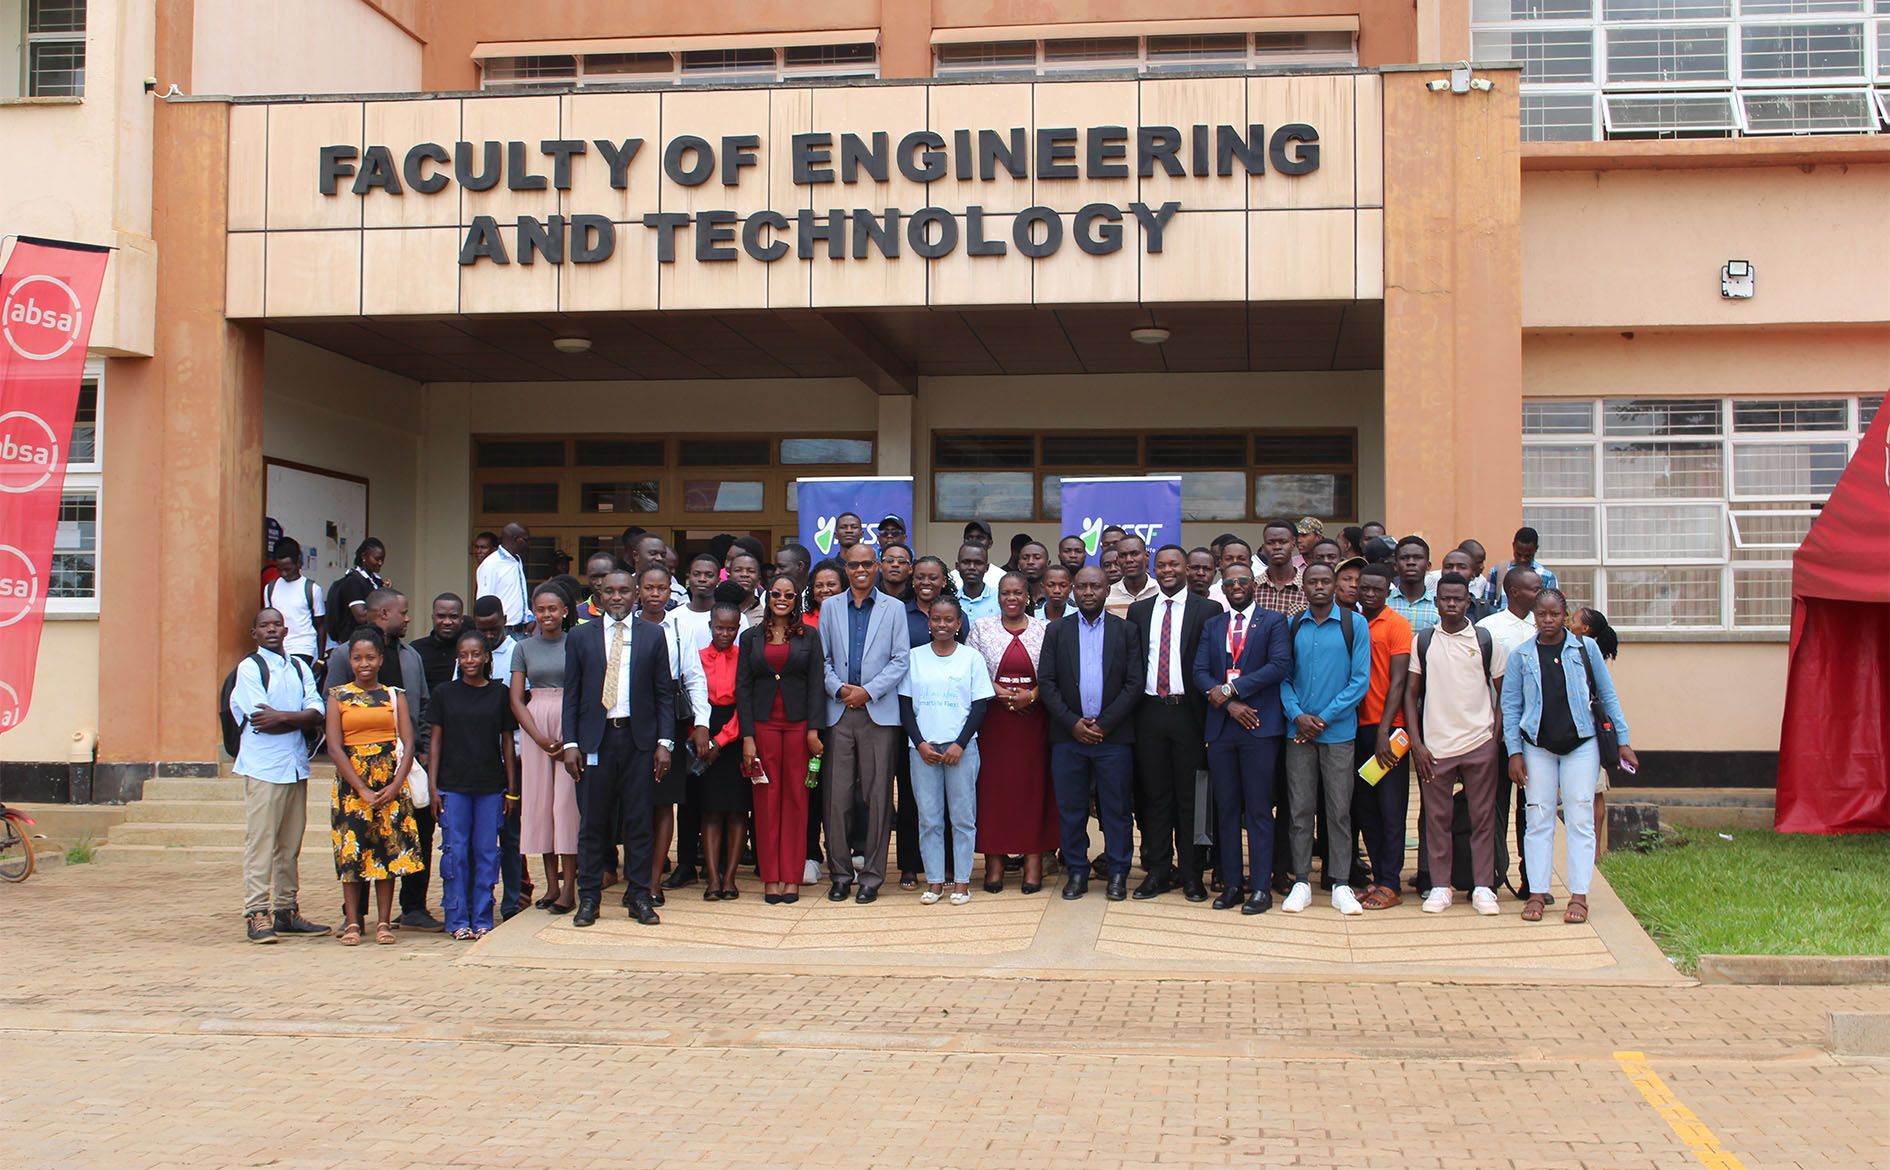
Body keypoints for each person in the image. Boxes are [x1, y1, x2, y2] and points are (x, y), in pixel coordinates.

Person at [1503, 589, 1636, 925]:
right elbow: (1511, 707)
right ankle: (1536, 893)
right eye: (1542, 614)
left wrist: (1623, 741)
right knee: (1538, 818)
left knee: (1580, 817)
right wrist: (1514, 752)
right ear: (1534, 616)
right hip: (1537, 746)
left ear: (1564, 615)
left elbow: (1608, 695)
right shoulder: (1521, 656)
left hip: (1582, 744)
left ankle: (1579, 895)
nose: (1548, 620)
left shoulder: (1585, 649)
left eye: (1555, 614)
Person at [561, 567, 676, 928]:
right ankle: (589, 898)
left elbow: (664, 693)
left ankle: (639, 896)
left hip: (638, 741)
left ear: (635, 594)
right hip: (595, 740)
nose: (616, 597)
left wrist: (665, 743)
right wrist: (571, 743)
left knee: (639, 822)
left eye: (623, 591)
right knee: (593, 823)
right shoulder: (580, 636)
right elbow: (572, 694)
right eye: (609, 591)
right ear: (599, 596)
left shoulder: (653, 635)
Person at [323, 587, 441, 932]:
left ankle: (412, 908)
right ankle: (355, 915)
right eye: (402, 612)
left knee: (413, 835)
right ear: (383, 614)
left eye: (371, 658)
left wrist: (419, 753)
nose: (407, 618)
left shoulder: (410, 655)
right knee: (357, 843)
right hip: (356, 770)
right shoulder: (343, 655)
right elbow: (334, 714)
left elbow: (421, 706)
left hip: (403, 765)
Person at [1404, 573, 1509, 916]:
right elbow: (1410, 694)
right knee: (1437, 820)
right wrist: (1417, 743)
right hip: (1436, 747)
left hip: (1480, 742)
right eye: (1445, 598)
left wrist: (1494, 736)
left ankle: (1483, 887)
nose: (1451, 604)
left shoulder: (1485, 640)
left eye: (1458, 599)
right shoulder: (1423, 641)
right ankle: (1440, 886)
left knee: (1482, 818)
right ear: (1436, 602)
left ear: (1468, 602)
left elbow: (1504, 692)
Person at [1039, 565, 1144, 902]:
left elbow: (1134, 684)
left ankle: (1118, 872)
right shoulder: (1057, 631)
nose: (1088, 592)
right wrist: (1073, 723)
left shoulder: (1126, 631)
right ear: (1073, 589)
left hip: (1113, 738)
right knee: (1071, 809)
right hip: (1068, 737)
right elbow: (1047, 682)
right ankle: (1076, 871)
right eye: (1082, 586)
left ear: (1106, 590)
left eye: (1095, 586)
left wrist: (1104, 724)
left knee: (1116, 810)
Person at [1193, 562, 1292, 913]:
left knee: (1259, 809)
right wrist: (1229, 703)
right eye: (1230, 581)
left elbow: (1279, 666)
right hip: (1222, 728)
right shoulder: (1213, 624)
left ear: (1253, 585)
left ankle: (1261, 887)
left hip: (1259, 726)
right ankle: (1233, 884)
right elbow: (1199, 672)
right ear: (1224, 587)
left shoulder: (1274, 622)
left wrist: (1232, 689)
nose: (1236, 586)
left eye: (1243, 580)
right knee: (1227, 809)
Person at [1125, 545, 1220, 901]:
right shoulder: (1139, 610)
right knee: (1155, 797)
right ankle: (1158, 872)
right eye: (1161, 565)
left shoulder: (1207, 610)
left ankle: (1193, 874)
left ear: (1187, 569)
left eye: (1174, 565)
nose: (1167, 570)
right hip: (1149, 713)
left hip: (1189, 714)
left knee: (1193, 797)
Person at [818, 542, 910, 904]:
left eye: (867, 564)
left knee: (878, 798)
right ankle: (840, 875)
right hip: (839, 711)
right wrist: (840, 690)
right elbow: (822, 659)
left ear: (877, 567)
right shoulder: (830, 607)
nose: (860, 570)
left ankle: (872, 877)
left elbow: (900, 660)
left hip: (878, 713)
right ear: (846, 567)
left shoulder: (894, 608)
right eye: (854, 564)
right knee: (836, 799)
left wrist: (868, 692)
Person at [231, 608, 329, 943]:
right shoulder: (250, 668)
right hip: (264, 767)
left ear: (286, 631)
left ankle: (286, 909)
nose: (271, 630)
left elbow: (318, 712)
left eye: (277, 625)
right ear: (254, 633)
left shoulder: (300, 667)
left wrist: (286, 717)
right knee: (261, 841)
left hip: (295, 765)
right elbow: (262, 720)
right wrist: (299, 718)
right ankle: (257, 912)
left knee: (290, 843)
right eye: (264, 626)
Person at [1280, 562, 1371, 914]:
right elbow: (1284, 678)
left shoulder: (1354, 624)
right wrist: (1298, 716)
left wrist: (1323, 718)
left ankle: (1341, 883)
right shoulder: (1293, 625)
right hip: (1298, 733)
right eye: (1312, 581)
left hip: (1338, 733)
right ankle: (1301, 881)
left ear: (1334, 585)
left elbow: (1359, 681)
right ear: (1303, 587)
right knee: (1300, 808)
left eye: (1325, 581)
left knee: (1338, 810)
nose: (1319, 586)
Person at [737, 575, 826, 904]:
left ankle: (791, 876)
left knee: (797, 800)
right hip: (763, 727)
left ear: (796, 600)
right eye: (776, 593)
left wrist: (814, 731)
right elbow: (743, 688)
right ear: (768, 597)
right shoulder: (750, 637)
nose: (782, 599)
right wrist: (748, 737)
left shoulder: (809, 636)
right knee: (766, 801)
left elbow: (816, 684)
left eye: (789, 595)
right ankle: (770, 877)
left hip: (799, 726)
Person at [898, 596, 992, 905]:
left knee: (963, 818)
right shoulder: (914, 657)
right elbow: (905, 707)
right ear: (928, 623)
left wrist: (960, 743)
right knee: (929, 819)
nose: (942, 624)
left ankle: (962, 882)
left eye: (948, 619)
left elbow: (979, 706)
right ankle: (935, 881)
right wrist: (920, 743)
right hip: (923, 750)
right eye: (936, 619)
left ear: (959, 623)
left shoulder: (971, 658)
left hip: (961, 750)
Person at [967, 573, 1057, 894]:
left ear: (1028, 597)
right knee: (993, 790)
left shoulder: (1045, 629)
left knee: (1033, 788)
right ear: (998, 596)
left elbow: (1055, 673)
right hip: (994, 721)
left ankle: (1033, 862)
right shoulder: (981, 628)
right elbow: (972, 669)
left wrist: (1031, 696)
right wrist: (1000, 692)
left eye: (1018, 593)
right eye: (1006, 593)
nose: (1012, 598)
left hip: (1035, 721)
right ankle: (994, 863)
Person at [426, 630, 519, 940]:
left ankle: (482, 918)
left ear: (486, 657)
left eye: (476, 654)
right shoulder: (444, 693)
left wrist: (512, 790)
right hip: (453, 786)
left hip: (491, 787)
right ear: (458, 658)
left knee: (486, 854)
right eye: (464, 655)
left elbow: (508, 745)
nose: (469, 660)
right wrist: (433, 788)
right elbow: (435, 744)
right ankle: (457, 919)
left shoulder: (499, 693)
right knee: (456, 854)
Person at [1474, 564, 1545, 902]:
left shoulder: (1543, 626)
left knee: (1532, 809)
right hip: (1497, 733)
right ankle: (1492, 875)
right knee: (1495, 806)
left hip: (1536, 736)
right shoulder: (1489, 629)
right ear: (1514, 591)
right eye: (1535, 588)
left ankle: (1532, 878)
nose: (1540, 594)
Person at [1350, 563, 1414, 910]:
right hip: (1356, 728)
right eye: (1365, 588)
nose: (1370, 593)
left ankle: (1391, 883)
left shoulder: (1397, 624)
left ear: (1389, 590)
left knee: (1390, 809)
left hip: (1388, 731)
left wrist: (1384, 731)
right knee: (1366, 808)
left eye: (1377, 588)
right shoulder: (1355, 621)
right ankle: (1378, 877)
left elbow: (1399, 681)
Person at [510, 584, 576, 914]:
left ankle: (570, 886)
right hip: (535, 724)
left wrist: (572, 737)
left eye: (552, 608)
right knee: (541, 805)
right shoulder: (523, 647)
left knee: (566, 807)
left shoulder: (576, 642)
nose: (546, 615)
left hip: (569, 722)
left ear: (565, 611)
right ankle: (551, 885)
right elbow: (516, 699)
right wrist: (537, 737)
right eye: (540, 609)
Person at [629, 567, 690, 906]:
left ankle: (653, 881)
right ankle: (634, 878)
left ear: (671, 591)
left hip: (668, 721)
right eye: (649, 588)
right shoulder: (624, 627)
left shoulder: (679, 626)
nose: (655, 594)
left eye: (662, 588)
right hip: (629, 722)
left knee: (663, 801)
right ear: (638, 590)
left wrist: (701, 724)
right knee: (633, 802)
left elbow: (693, 676)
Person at [686, 601, 750, 900]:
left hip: (735, 735)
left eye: (731, 629)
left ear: (738, 628)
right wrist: (704, 739)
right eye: (719, 627)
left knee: (737, 811)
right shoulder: (697, 658)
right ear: (709, 626)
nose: (725, 633)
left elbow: (745, 703)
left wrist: (722, 741)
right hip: (703, 730)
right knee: (710, 811)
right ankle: (713, 878)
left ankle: (731, 878)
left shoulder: (744, 659)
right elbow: (692, 699)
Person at [1569, 605, 1621, 866]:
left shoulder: (1589, 654)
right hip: (1577, 733)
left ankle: (1596, 851)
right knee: (1593, 792)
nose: (1569, 622)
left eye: (1574, 620)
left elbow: (1606, 696)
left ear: (1585, 628)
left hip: (1592, 731)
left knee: (1595, 791)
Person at [263, 538, 325, 669]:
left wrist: (320, 660)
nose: (283, 574)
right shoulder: (270, 588)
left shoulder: (312, 589)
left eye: (287, 569)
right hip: (277, 647)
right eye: (280, 570)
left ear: (298, 564)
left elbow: (321, 625)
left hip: (303, 647)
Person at [325, 537, 385, 645]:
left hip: (373, 640)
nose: (380, 563)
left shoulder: (376, 581)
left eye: (382, 559)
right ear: (364, 556)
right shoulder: (353, 582)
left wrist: (386, 593)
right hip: (354, 642)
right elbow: (361, 616)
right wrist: (385, 612)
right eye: (377, 559)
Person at [476, 522, 532, 629]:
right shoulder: (491, 564)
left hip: (520, 629)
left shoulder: (517, 560)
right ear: (515, 539)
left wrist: (528, 617)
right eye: (526, 540)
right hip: (502, 629)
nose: (528, 544)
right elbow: (484, 602)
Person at [1486, 526, 1559, 600]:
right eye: (1518, 554)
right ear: (1513, 546)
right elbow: (1488, 603)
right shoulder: (1498, 572)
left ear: (1536, 549)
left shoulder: (1547, 577)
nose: (1522, 559)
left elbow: (1553, 604)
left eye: (1528, 556)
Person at [411, 594, 467, 690]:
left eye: (453, 617)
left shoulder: (470, 651)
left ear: (462, 619)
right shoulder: (416, 650)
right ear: (433, 618)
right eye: (441, 616)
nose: (447, 622)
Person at [1388, 536, 1440, 633]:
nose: (1411, 562)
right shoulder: (1384, 602)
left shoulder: (1438, 605)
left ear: (1428, 565)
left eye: (1418, 557)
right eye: (1404, 558)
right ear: (1395, 566)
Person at [1254, 522, 1307, 616]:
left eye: (1283, 542)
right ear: (1264, 547)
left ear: (1294, 544)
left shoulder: (1307, 588)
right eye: (1270, 543)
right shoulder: (1253, 587)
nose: (1277, 547)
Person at [1105, 534, 1158, 619]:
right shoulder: (1108, 596)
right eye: (1123, 555)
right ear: (1117, 560)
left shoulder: (1160, 591)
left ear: (1147, 556)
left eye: (1135, 554)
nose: (1129, 560)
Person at [954, 520, 1007, 595]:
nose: (974, 541)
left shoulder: (1001, 577)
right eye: (969, 538)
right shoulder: (952, 577)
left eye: (980, 538)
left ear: (990, 543)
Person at [955, 542, 1000, 625]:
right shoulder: (950, 599)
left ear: (986, 568)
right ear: (957, 566)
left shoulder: (999, 599)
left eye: (978, 563)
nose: (972, 567)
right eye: (966, 562)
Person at [726, 550, 765, 623]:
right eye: (738, 570)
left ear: (759, 580)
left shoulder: (764, 618)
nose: (744, 574)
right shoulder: (717, 611)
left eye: (751, 571)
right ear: (728, 577)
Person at [805, 559, 844, 629]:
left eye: (831, 584)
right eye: (819, 586)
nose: (825, 590)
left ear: (843, 587)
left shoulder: (852, 617)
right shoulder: (802, 621)